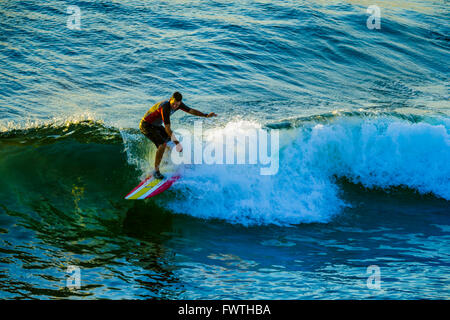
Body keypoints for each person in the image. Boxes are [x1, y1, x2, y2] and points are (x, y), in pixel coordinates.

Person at [139, 91, 217, 179]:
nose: (175, 106)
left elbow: (191, 110)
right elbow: (167, 129)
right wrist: (177, 143)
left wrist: (205, 115)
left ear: (180, 103)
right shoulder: (165, 108)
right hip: (146, 125)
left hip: (156, 125)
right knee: (162, 145)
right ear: (170, 100)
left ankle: (165, 163)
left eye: (177, 105)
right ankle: (156, 171)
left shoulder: (178, 104)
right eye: (173, 104)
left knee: (169, 143)